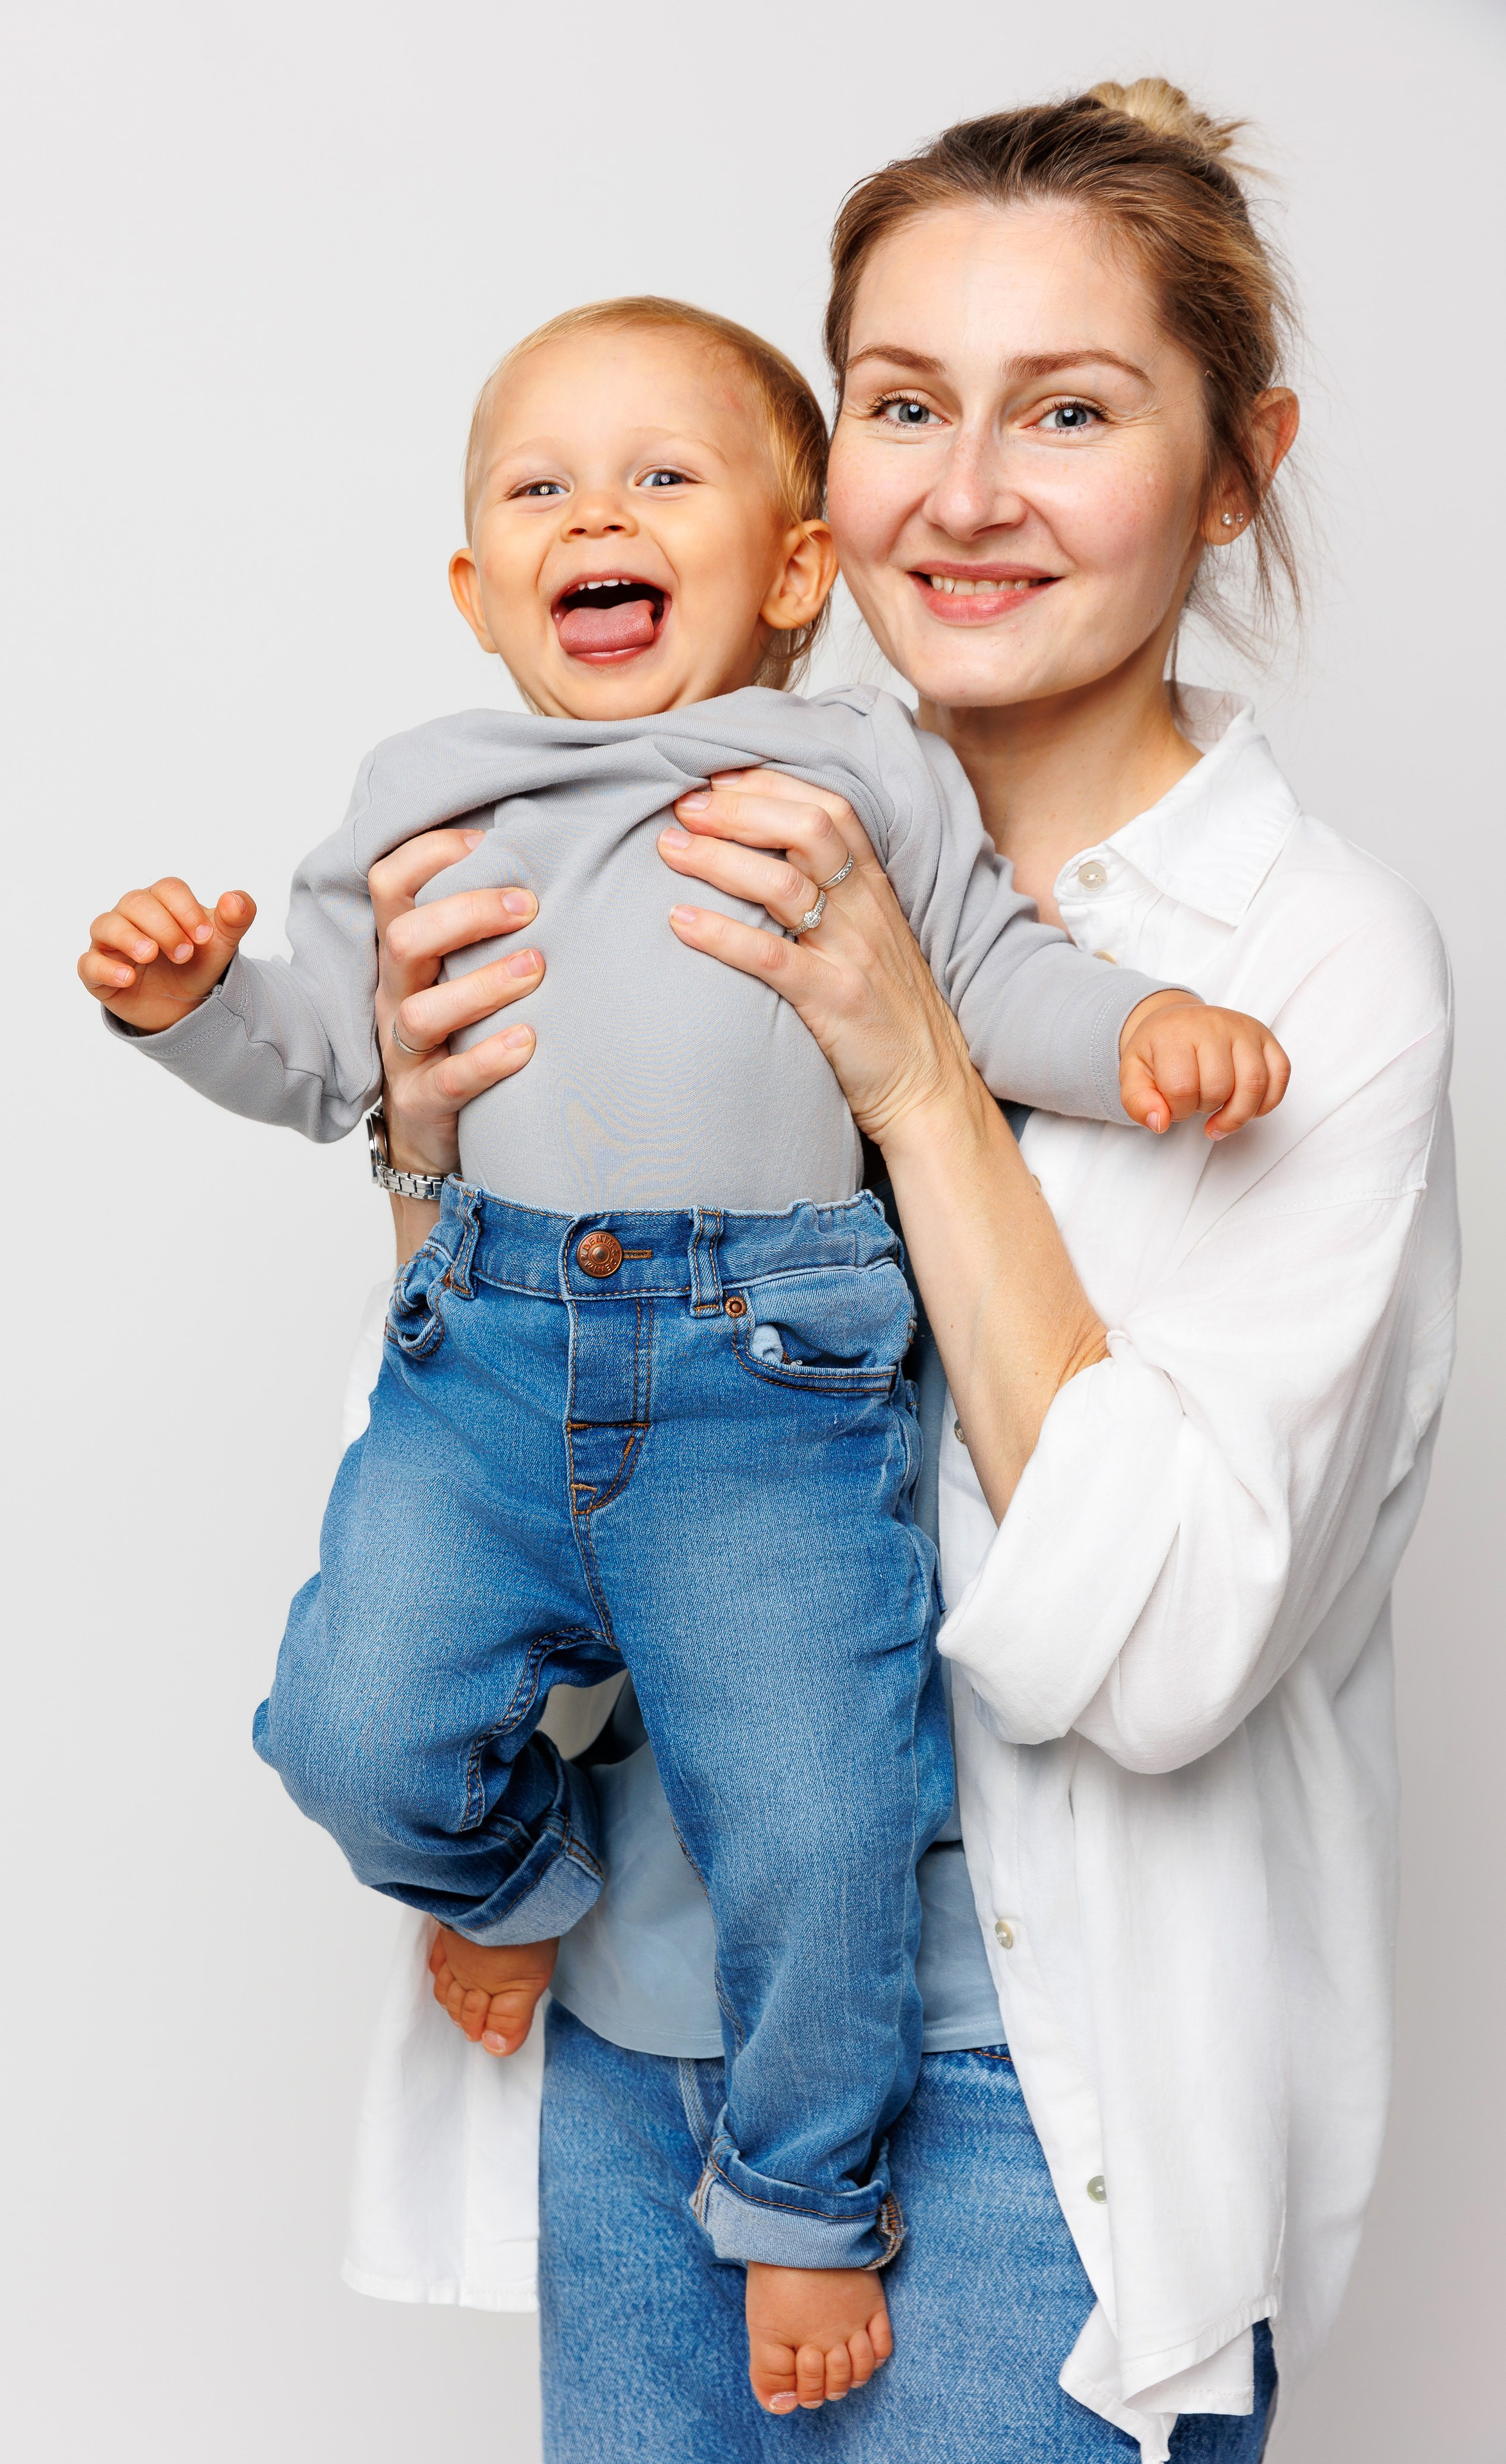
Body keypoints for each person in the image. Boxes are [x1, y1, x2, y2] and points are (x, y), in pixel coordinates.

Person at [339, 79, 1458, 2464]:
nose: (966, 493)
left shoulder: (1310, 968)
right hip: (639, 2042)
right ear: (819, 487)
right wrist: (421, 1162)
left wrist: (921, 1065)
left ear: (1237, 469)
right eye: (904, 404)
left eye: (1072, 411)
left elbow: (1163, 1660)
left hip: (1025, 2113)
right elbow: (522, 1478)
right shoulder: (645, 828)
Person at [75, 295, 1284, 2411]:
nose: (596, 518)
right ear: (477, 587)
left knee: (817, 1816)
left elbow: (992, 985)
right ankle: (514, 1874)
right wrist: (192, 1007)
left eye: (660, 478)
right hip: (488, 1358)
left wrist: (1142, 1036)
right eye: (540, 488)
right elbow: (330, 1061)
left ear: (798, 569)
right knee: (353, 1723)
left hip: (767, 1382)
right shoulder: (427, 789)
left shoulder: (857, 771)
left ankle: (802, 2199)